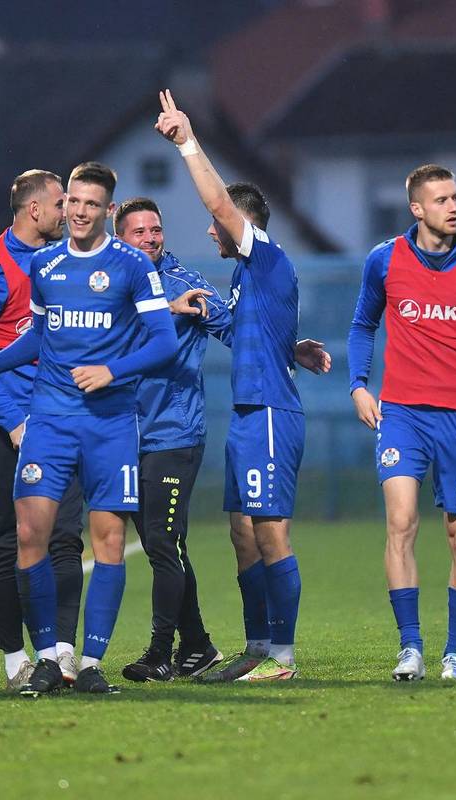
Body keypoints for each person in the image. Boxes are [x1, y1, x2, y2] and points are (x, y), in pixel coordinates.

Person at [0, 161, 179, 695]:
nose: (78, 212)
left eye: (90, 205)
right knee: (29, 536)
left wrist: (113, 371)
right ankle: (49, 656)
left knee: (107, 539)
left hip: (109, 424)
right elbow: (39, 338)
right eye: (73, 202)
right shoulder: (46, 263)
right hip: (51, 421)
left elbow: (164, 342)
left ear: (107, 210)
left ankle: (93, 662)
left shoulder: (130, 266)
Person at [114, 198, 332, 682]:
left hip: (172, 431)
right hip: (118, 434)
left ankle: (168, 653)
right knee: (179, 542)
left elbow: (238, 330)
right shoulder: (105, 281)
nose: (151, 237)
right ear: (119, 239)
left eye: (157, 228)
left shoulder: (188, 284)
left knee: (168, 542)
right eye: (139, 231)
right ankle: (202, 646)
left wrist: (288, 348)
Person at [155, 90, 306, 682]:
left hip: (269, 412)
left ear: (241, 225)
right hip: (247, 412)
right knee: (243, 532)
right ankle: (258, 648)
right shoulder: (248, 280)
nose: (212, 231)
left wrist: (188, 142)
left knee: (270, 533)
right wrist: (294, 346)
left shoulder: (265, 256)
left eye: (220, 226)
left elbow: (218, 200)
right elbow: (260, 331)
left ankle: (284, 658)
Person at [347, 163, 456, 682]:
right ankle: (410, 647)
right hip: (403, 414)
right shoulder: (384, 260)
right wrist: (357, 383)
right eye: (441, 199)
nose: (453, 206)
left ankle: (455, 653)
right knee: (400, 522)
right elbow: (361, 325)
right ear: (416, 208)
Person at [0, 170, 87, 690]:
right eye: (61, 203)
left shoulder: (64, 262)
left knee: (66, 542)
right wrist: (13, 423)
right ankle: (17, 664)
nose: (68, 211)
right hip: (5, 431)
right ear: (34, 210)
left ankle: (62, 657)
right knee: (9, 546)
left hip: (62, 422)